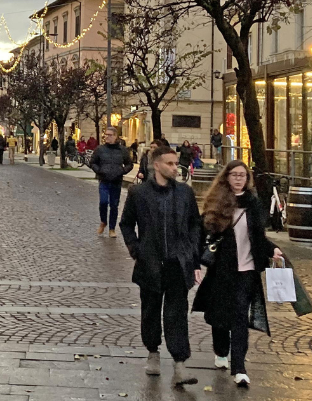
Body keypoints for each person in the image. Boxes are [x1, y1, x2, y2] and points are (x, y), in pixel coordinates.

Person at [193, 160, 283, 388]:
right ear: (227, 177)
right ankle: (221, 350)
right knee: (220, 315)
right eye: (234, 175)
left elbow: (258, 237)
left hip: (248, 270)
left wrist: (272, 249)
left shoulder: (253, 203)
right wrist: (195, 263)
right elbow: (203, 235)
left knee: (240, 316)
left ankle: (240, 368)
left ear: (247, 178)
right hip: (222, 269)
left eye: (242, 175)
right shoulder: (218, 202)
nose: (238, 179)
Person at [119, 145, 202, 386]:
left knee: (177, 314)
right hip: (150, 263)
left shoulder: (185, 193)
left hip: (178, 262)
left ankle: (180, 364)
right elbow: (126, 224)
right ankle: (153, 352)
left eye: (176, 164)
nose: (175, 168)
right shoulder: (139, 193)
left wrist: (191, 252)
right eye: (170, 164)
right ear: (156, 165)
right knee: (151, 310)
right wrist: (136, 250)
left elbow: (195, 224)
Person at [90, 126, 134, 237]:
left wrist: (122, 171)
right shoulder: (100, 149)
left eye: (110, 135)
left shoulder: (122, 150)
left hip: (116, 180)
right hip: (104, 180)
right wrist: (98, 170)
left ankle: (112, 228)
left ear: (115, 136)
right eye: (106, 134)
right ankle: (103, 221)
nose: (107, 137)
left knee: (114, 205)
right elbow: (93, 162)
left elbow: (130, 164)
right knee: (103, 202)